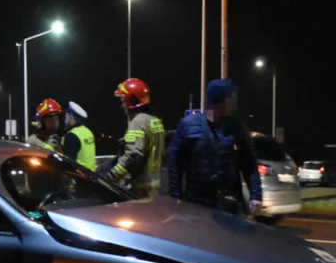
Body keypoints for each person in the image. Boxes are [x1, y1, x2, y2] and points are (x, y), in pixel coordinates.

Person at [166, 79, 262, 215]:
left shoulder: (237, 128)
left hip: (229, 205)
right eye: (232, 98)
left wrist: (256, 195)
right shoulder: (189, 125)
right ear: (221, 101)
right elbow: (174, 162)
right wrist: (176, 197)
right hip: (197, 204)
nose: (235, 103)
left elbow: (249, 164)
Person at [97, 78, 165, 198]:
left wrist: (111, 175)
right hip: (153, 185)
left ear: (131, 101)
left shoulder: (138, 121)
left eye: (123, 100)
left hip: (140, 188)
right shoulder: (154, 120)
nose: (122, 105)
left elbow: (133, 155)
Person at [61, 101, 97, 171]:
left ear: (71, 116)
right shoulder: (88, 132)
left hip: (78, 179)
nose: (65, 118)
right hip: (91, 176)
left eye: (66, 115)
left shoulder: (72, 135)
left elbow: (68, 165)